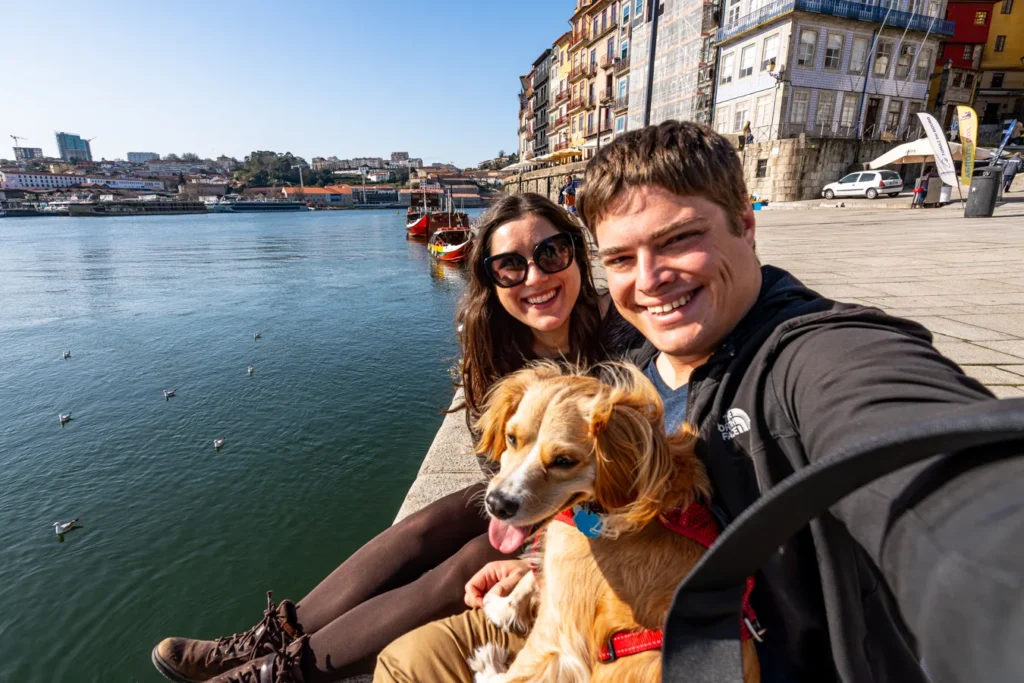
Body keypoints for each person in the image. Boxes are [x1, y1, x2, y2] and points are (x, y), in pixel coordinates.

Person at [374, 121, 1023, 683]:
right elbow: (606, 508)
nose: (651, 279)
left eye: (679, 239)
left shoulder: (813, 359)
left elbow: (939, 463)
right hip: (591, 609)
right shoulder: (630, 372)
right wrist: (537, 569)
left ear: (746, 220)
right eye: (623, 257)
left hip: (715, 654)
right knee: (407, 656)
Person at [150, 193, 641, 683]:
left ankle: (281, 674)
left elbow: (641, 468)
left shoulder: (628, 333)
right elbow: (497, 466)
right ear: (489, 279)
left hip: (608, 510)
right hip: (537, 490)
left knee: (472, 558)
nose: (535, 277)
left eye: (551, 253)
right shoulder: (494, 343)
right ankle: (272, 636)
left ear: (577, 251)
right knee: (428, 527)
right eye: (510, 266)